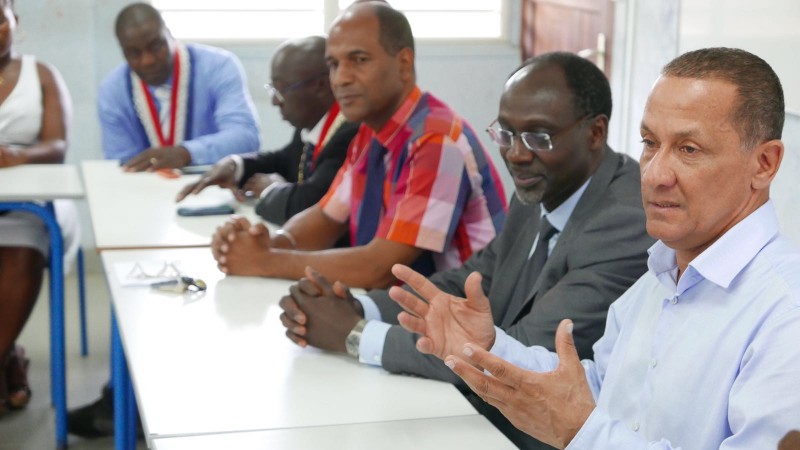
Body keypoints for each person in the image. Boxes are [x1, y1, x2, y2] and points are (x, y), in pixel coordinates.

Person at [390, 47, 800, 450]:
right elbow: (601, 390)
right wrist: (489, 347)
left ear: (764, 164)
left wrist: (579, 432)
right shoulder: (659, 277)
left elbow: (584, 422)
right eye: (650, 142)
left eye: (688, 149)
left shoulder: (786, 313)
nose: (654, 174)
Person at [278, 52, 654, 448]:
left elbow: (522, 351)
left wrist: (354, 335)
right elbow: (470, 282)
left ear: (595, 133)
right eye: (505, 134)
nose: (516, 154)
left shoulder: (624, 221)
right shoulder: (545, 183)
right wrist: (358, 307)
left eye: (538, 137)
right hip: (485, 413)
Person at [211, 2, 506, 289]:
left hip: (469, 311)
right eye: (334, 64)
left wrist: (265, 261)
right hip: (414, 305)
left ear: (404, 64)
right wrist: (270, 244)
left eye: (359, 59)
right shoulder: (370, 133)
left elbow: (381, 268)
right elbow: (326, 217)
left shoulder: (435, 141)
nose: (340, 78)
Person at [175, 36, 358, 227]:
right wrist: (236, 166)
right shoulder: (312, 121)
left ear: (320, 87)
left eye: (281, 90)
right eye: (272, 89)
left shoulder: (349, 132)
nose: (274, 101)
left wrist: (270, 190)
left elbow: (312, 205)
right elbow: (285, 160)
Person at [0, 0, 78, 416]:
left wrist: (19, 156)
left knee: (23, 250)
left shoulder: (41, 74)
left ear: (14, 20)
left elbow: (57, 145)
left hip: (30, 204)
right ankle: (9, 357)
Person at [99, 2, 260, 171]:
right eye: (134, 53)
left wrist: (187, 153)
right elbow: (121, 162)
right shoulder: (112, 91)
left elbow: (246, 138)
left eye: (155, 46)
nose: (147, 60)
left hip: (216, 183)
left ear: (170, 35)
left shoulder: (219, 67)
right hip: (146, 185)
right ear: (123, 52)